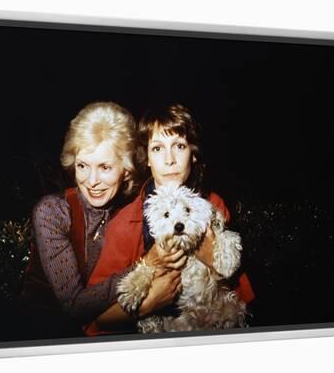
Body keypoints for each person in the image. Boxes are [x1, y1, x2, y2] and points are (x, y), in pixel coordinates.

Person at [86, 103, 254, 334]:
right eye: (157, 149)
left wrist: (212, 260)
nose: (169, 160)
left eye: (179, 146)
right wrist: (147, 303)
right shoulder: (123, 224)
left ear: (193, 154)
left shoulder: (214, 204)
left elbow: (240, 296)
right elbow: (95, 319)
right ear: (145, 158)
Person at [18, 101, 142, 339]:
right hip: (40, 342)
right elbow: (74, 306)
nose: (91, 181)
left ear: (126, 169)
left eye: (105, 167)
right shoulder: (53, 211)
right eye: (83, 166)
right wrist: (144, 271)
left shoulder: (129, 212)